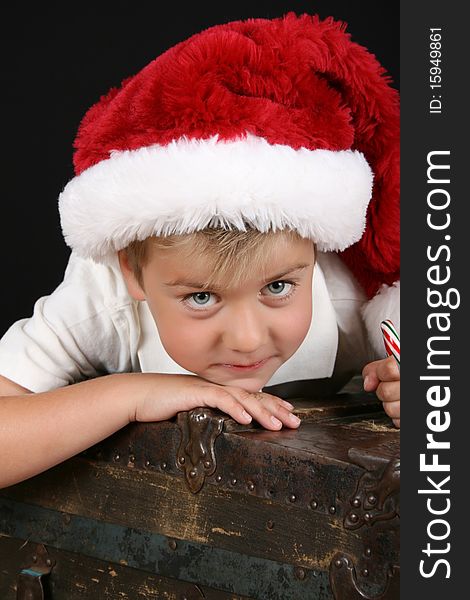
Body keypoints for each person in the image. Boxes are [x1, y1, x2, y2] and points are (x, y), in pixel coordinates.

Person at [0, 12, 400, 489]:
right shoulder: (103, 297)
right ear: (134, 273)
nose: (248, 340)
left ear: (313, 254)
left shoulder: (357, 290)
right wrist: (133, 395)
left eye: (278, 287)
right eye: (202, 297)